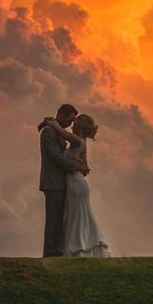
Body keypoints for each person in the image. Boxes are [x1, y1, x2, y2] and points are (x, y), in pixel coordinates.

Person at [44, 113, 111, 257]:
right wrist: (81, 165)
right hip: (78, 182)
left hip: (75, 183)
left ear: (79, 127)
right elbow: (85, 164)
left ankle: (78, 247)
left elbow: (59, 130)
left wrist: (50, 122)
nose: (72, 126)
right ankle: (82, 245)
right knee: (79, 215)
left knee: (75, 216)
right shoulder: (83, 142)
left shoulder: (76, 139)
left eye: (74, 123)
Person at [38, 104, 88, 257]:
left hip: (62, 182)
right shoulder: (48, 132)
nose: (70, 124)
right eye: (70, 120)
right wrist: (77, 166)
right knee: (53, 219)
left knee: (61, 219)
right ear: (61, 115)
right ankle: (50, 252)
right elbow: (56, 157)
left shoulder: (57, 132)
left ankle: (57, 250)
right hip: (53, 183)